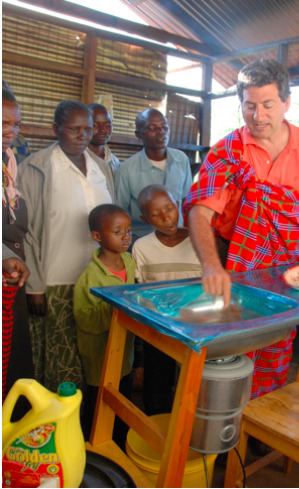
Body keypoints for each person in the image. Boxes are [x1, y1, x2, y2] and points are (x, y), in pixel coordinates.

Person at [184, 59, 299, 402]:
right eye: (249, 105)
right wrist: (212, 265)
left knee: (276, 344)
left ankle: (262, 417)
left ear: (287, 103)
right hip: (237, 268)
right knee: (229, 347)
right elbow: (200, 213)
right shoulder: (227, 151)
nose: (257, 116)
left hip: (289, 272)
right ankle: (228, 420)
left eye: (268, 105)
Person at [18, 100, 114, 393]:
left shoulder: (102, 167)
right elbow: (27, 232)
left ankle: (89, 427)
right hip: (55, 280)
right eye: (74, 129)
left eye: (88, 129)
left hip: (98, 280)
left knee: (96, 356)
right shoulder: (35, 167)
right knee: (60, 359)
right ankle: (58, 427)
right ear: (56, 129)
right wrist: (35, 285)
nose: (82, 135)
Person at [132, 184, 202, 414]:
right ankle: (156, 429)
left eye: (170, 209)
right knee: (157, 386)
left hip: (196, 329)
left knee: (192, 387)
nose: (166, 217)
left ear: (179, 206)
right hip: (158, 329)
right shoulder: (142, 248)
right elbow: (140, 291)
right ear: (144, 218)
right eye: (155, 214)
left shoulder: (201, 242)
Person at [73, 204, 136, 444]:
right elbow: (85, 319)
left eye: (128, 231)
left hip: (125, 351)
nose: (126, 237)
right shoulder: (90, 276)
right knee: (99, 403)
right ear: (97, 237)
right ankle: (95, 446)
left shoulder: (129, 262)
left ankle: (119, 444)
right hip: (100, 355)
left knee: (124, 397)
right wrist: (117, 309)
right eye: (118, 232)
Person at [115, 108, 193, 245]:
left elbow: (187, 200)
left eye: (164, 127)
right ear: (138, 134)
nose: (161, 132)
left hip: (178, 239)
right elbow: (120, 212)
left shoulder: (181, 160)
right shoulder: (126, 170)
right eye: (152, 128)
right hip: (143, 242)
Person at [2, 89, 34, 405]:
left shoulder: (9, 161)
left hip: (11, 276)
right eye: (3, 123)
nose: (10, 132)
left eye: (15, 124)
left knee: (11, 358)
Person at [87, 103, 121, 175]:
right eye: (94, 125)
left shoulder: (114, 162)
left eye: (107, 126)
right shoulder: (77, 159)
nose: (102, 130)